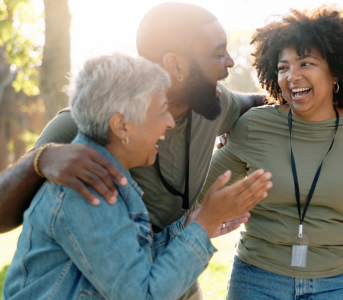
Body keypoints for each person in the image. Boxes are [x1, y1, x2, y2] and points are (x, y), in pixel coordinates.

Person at [0, 3, 265, 298]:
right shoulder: (84, 137)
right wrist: (39, 159)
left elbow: (254, 104)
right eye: (218, 52)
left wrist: (192, 227)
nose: (229, 61)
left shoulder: (212, 101)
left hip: (172, 266)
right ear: (175, 64)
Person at [198, 7, 343, 299]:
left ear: (335, 71)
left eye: (306, 63)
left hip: (340, 281)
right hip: (258, 278)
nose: (292, 76)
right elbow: (197, 192)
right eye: (283, 67)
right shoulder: (255, 124)